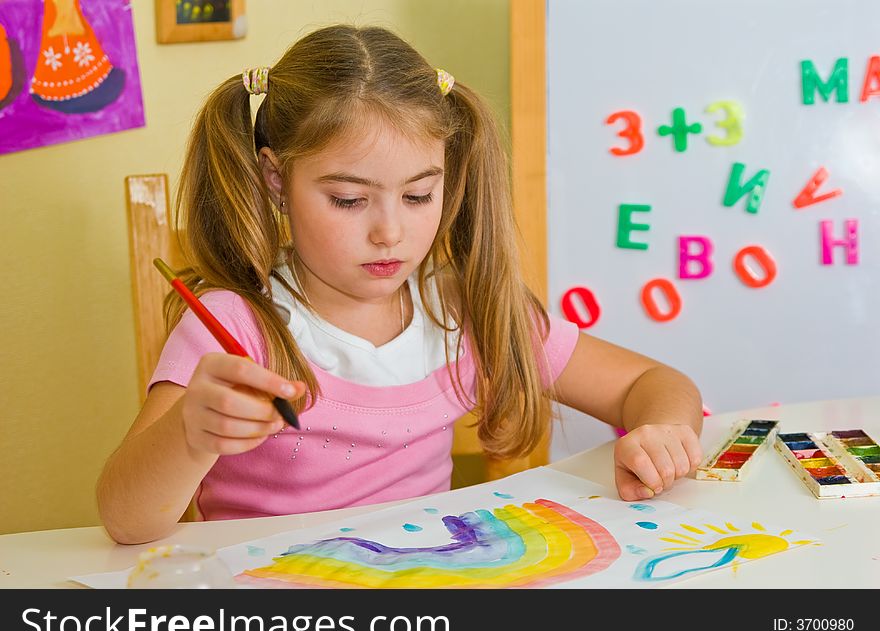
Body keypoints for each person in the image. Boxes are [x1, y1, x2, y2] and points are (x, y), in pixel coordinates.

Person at [96, 24, 703, 545]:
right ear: (276, 179)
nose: (390, 232)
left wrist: (663, 436)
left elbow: (654, 383)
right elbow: (126, 520)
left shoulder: (465, 309)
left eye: (418, 195)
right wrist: (189, 434)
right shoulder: (235, 324)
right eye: (349, 199)